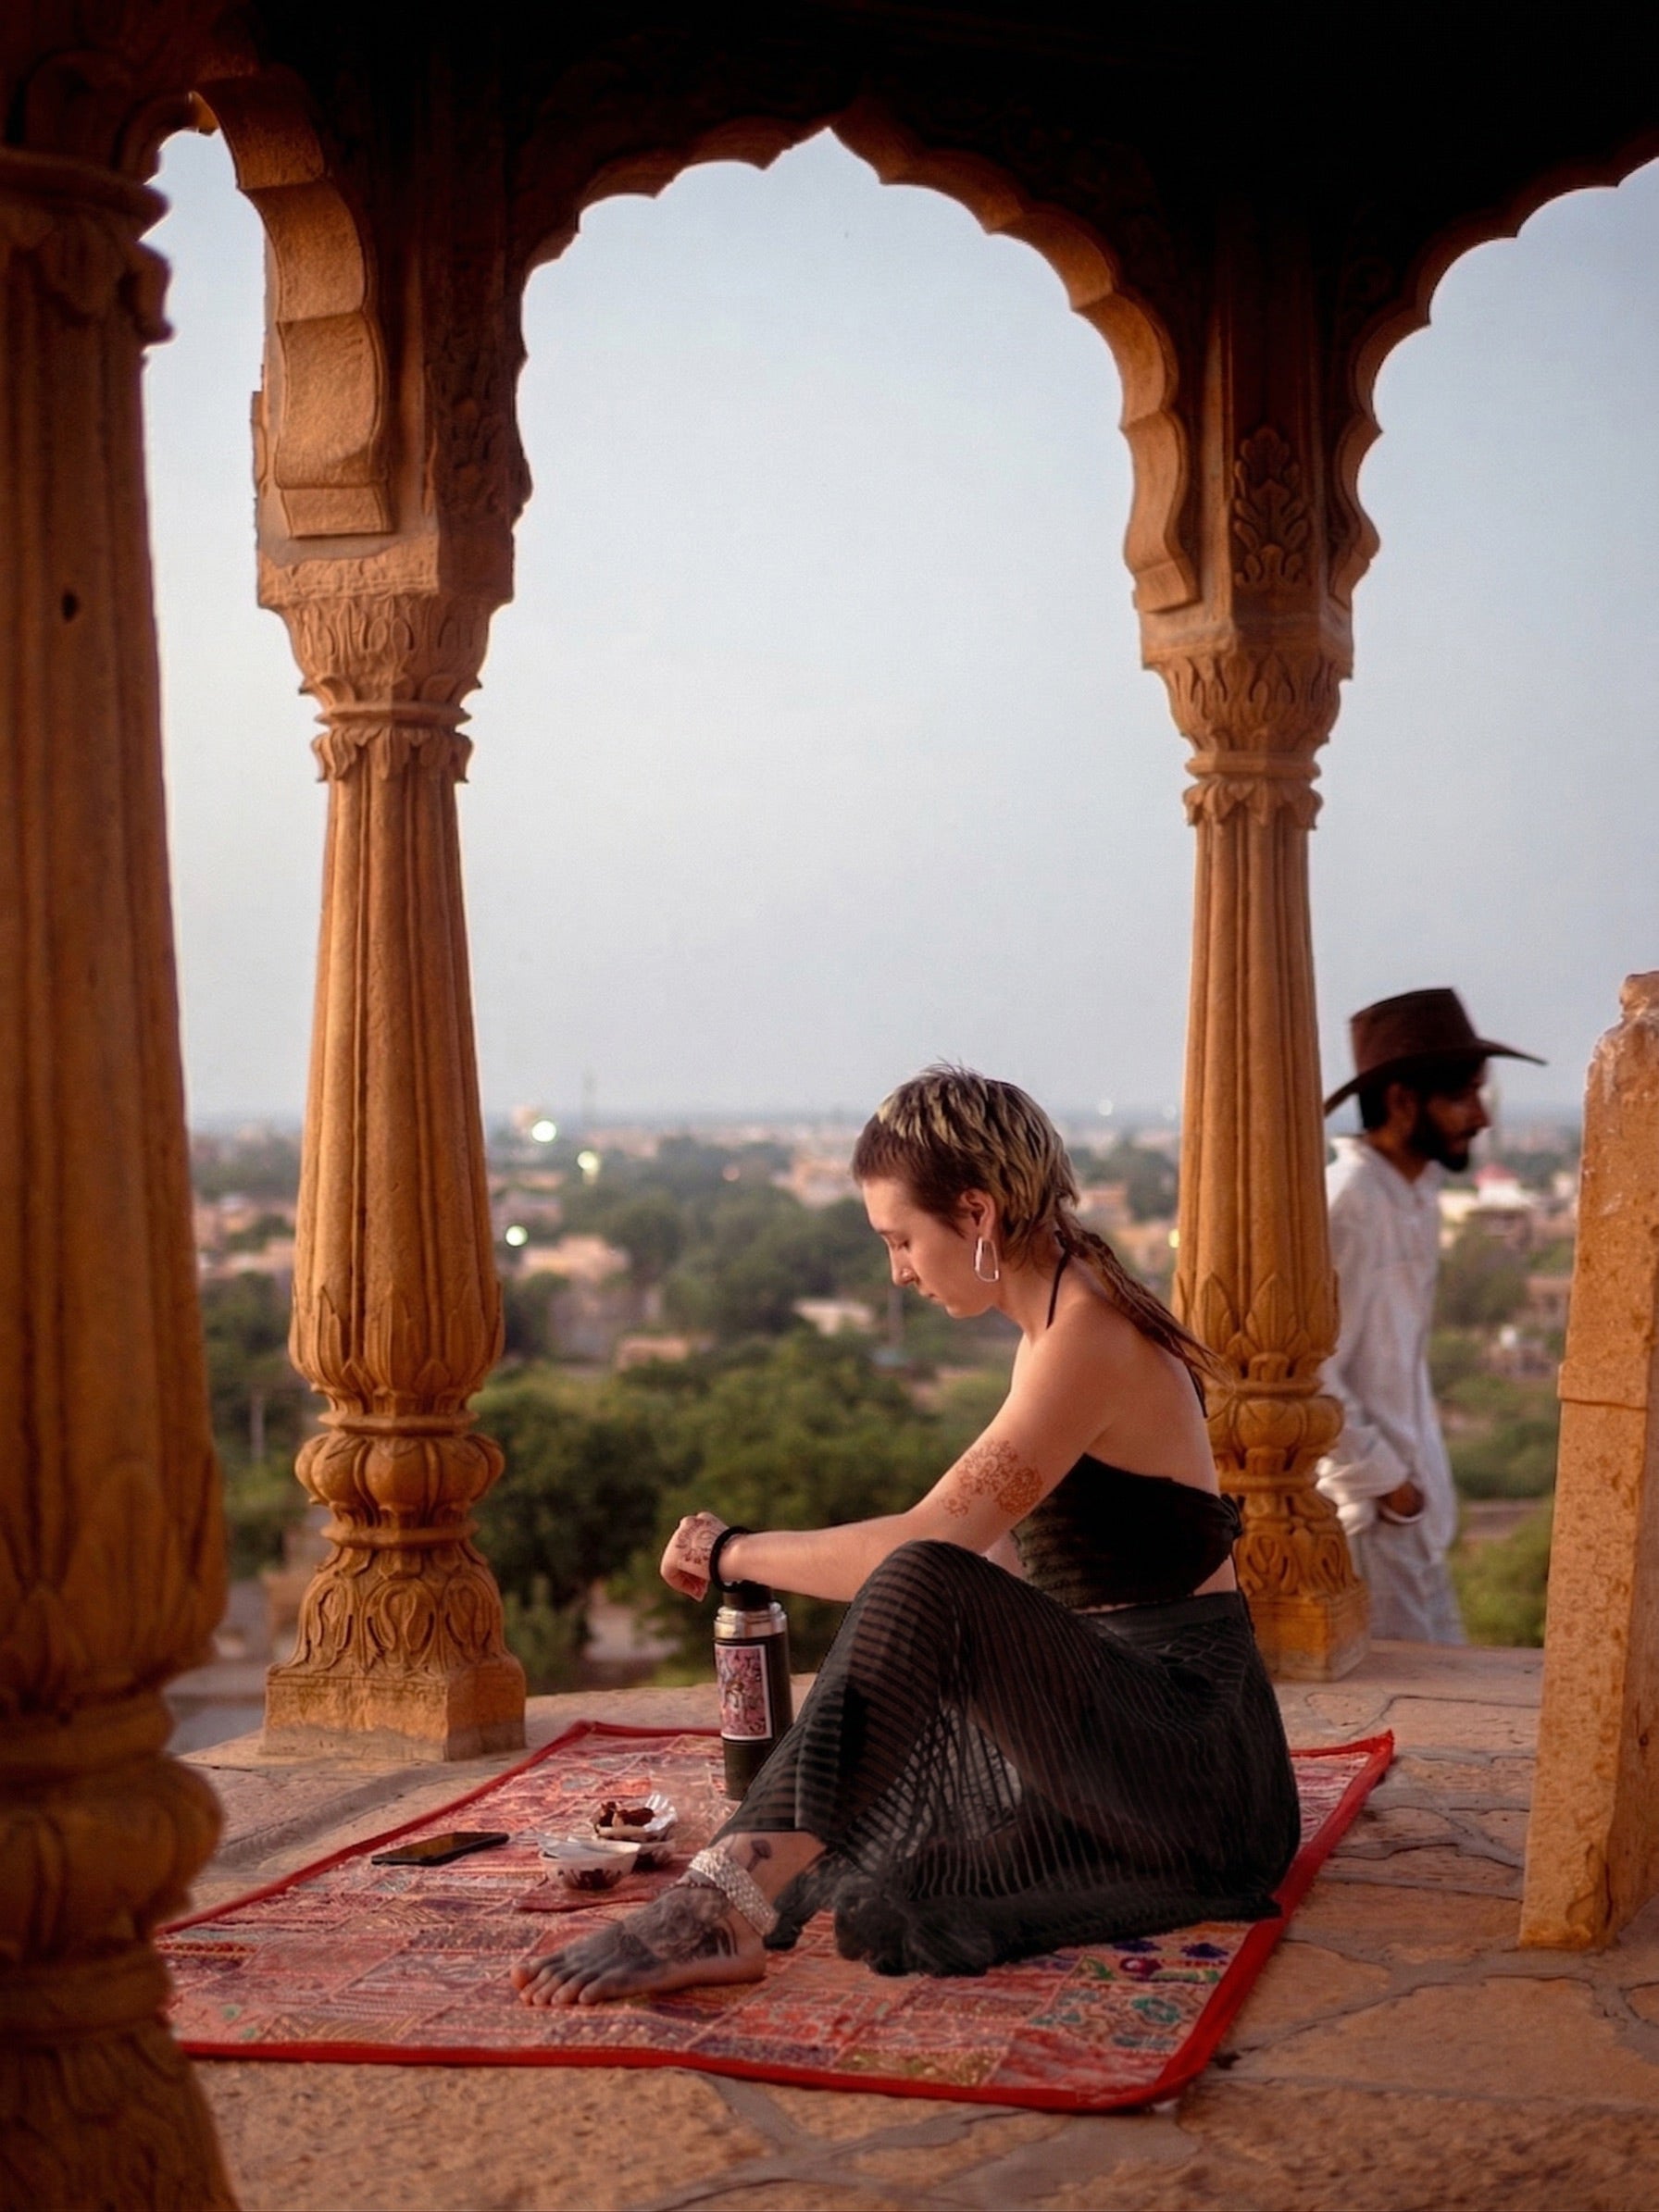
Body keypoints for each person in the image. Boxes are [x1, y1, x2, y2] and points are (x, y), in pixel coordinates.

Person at [514, 1067, 1300, 2008]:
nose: (897, 1270)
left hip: (1192, 1766)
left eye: (900, 1239)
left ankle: (719, 1905)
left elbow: (929, 1551)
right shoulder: (1059, 1316)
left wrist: (732, 1551)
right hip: (1130, 1744)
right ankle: (737, 1886)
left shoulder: (1088, 1334)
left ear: (976, 1213)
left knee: (923, 1572)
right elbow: (999, 1567)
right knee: (897, 1855)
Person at [1316, 988, 1543, 1643]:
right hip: (1370, 1515)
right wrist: (1387, 1480)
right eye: (1463, 1096)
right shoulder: (1351, 1204)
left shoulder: (1411, 1195)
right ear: (1402, 1101)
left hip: (1413, 1514)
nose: (1480, 1116)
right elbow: (1308, 1369)